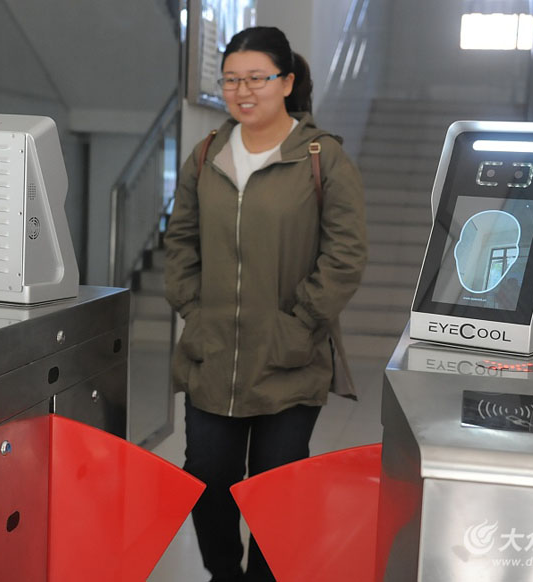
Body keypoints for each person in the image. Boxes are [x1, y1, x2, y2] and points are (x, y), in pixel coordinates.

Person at [164, 26, 368, 582]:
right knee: (207, 476)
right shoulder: (207, 154)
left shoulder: (324, 158)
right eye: (231, 80)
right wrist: (193, 309)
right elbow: (180, 241)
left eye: (257, 78)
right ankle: (223, 573)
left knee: (276, 488)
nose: (242, 91)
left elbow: (345, 255)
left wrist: (300, 324)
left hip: (289, 358)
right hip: (212, 354)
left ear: (287, 82)